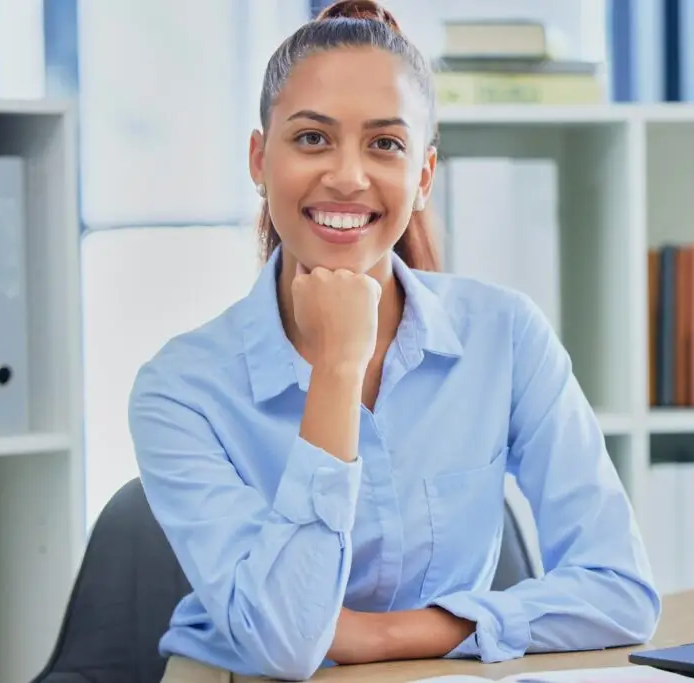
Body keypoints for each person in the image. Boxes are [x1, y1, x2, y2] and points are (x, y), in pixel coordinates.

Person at [128, 1, 661, 681]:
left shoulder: (505, 334)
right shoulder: (179, 388)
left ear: (424, 176)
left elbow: (622, 589)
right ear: (260, 160)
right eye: (313, 138)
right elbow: (287, 643)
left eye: (385, 144)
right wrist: (338, 369)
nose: (348, 175)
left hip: (439, 669)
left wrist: (382, 636)